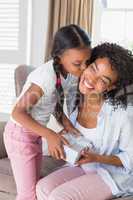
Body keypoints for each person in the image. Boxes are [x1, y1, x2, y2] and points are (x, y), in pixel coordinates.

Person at [3, 24, 91, 200]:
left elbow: (53, 102)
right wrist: (50, 135)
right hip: (19, 135)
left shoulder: (67, 73)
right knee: (28, 195)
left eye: (86, 62)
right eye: (77, 63)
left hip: (34, 134)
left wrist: (65, 123)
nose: (83, 69)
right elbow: (18, 113)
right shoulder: (45, 77)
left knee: (35, 188)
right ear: (59, 55)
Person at [36, 43, 133, 200]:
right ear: (87, 65)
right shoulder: (74, 94)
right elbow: (51, 103)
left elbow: (131, 159)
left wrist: (96, 158)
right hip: (85, 166)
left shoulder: (123, 114)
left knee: (59, 197)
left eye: (104, 79)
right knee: (43, 188)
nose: (92, 80)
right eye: (94, 69)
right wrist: (63, 138)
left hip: (114, 173)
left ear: (111, 86)